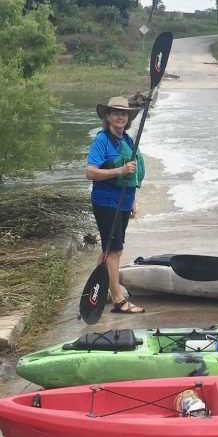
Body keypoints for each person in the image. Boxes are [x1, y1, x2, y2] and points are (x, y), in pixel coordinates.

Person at [86, 94, 147, 314]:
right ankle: (118, 300)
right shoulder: (102, 140)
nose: (120, 117)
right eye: (116, 113)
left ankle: (99, 290)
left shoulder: (128, 140)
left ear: (128, 118)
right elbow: (90, 172)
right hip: (106, 201)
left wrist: (132, 200)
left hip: (123, 202)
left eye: (124, 113)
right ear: (108, 117)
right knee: (114, 251)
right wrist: (118, 170)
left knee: (109, 249)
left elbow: (131, 175)